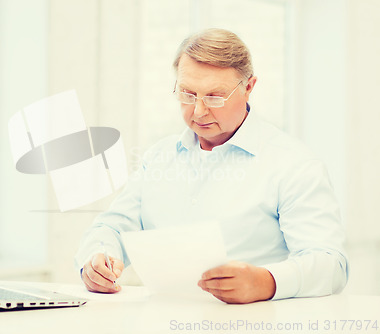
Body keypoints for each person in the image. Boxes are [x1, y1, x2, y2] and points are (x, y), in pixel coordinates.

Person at [74, 28, 348, 304]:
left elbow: (330, 264)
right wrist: (96, 260)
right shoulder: (158, 157)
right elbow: (112, 228)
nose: (199, 111)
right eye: (188, 94)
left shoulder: (293, 164)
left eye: (215, 97)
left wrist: (267, 281)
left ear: (249, 87)